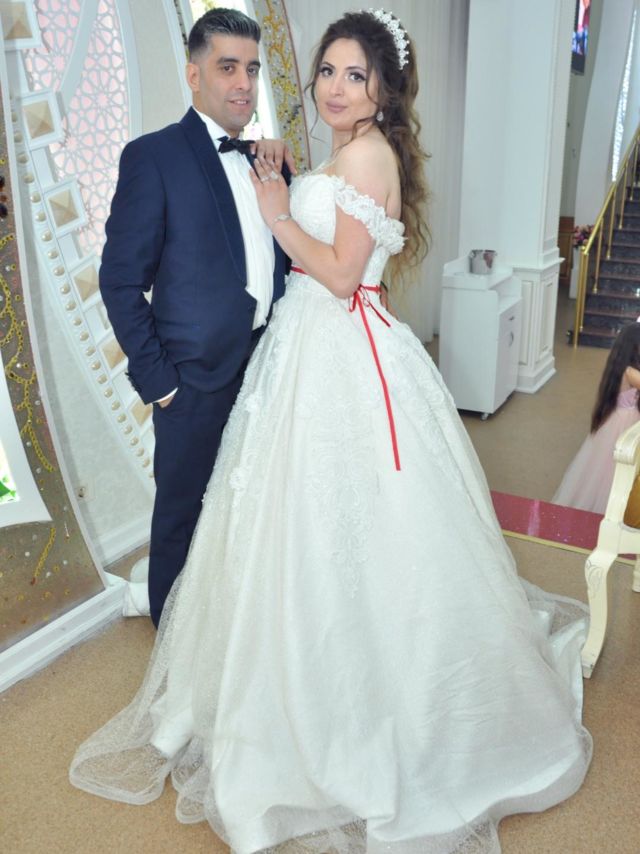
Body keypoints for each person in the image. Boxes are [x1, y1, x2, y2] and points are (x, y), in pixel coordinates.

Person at [71, 10, 592, 852]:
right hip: (281, 357)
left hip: (334, 350)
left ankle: (343, 704)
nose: (336, 87)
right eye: (327, 72)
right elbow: (132, 276)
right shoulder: (293, 155)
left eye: (356, 75)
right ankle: (223, 669)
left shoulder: (364, 154)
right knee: (254, 524)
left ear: (383, 90)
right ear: (198, 71)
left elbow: (344, 274)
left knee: (339, 528)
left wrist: (281, 210)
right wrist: (282, 191)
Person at [99, 8, 293, 626]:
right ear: (194, 74)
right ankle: (173, 646)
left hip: (267, 368)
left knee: (253, 508)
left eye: (252, 70)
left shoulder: (270, 161)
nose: (243, 83)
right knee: (182, 519)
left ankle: (232, 628)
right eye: (227, 67)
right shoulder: (152, 157)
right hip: (193, 382)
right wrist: (162, 383)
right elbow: (119, 281)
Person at [553, 321, 640, 514]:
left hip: (618, 421)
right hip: (624, 425)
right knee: (613, 471)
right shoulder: (630, 372)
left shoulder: (619, 367)